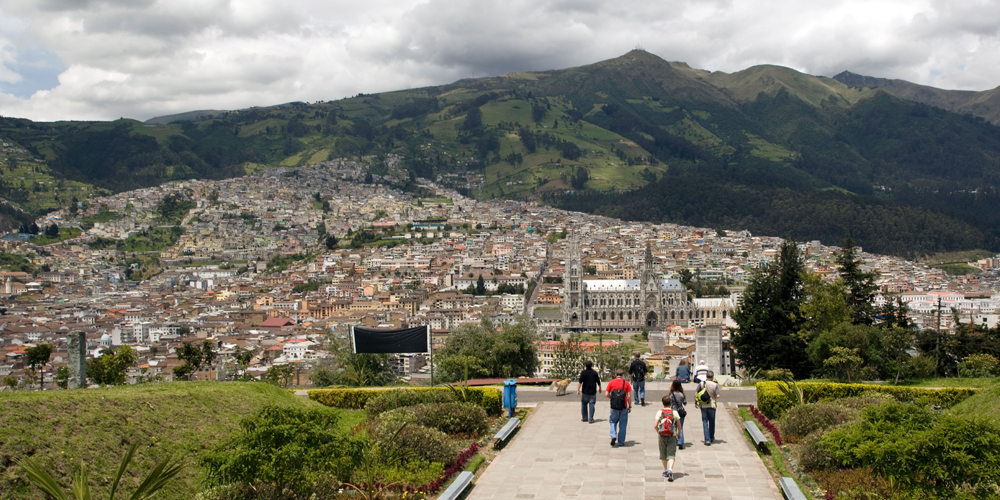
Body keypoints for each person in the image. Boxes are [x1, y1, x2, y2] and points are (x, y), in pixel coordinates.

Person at [654, 394, 682, 482]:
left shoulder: (660, 412)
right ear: (671, 403)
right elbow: (679, 425)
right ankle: (670, 469)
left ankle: (665, 470)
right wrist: (679, 433)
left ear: (662, 403)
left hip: (662, 435)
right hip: (672, 434)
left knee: (663, 453)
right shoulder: (674, 412)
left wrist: (658, 431)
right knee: (671, 454)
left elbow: (655, 425)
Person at [605, 368, 632, 447]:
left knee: (613, 421)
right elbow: (629, 396)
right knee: (623, 424)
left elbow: (606, 394)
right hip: (623, 406)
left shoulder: (611, 382)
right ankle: (621, 442)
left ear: (616, 375)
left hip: (614, 406)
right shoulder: (626, 383)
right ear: (622, 375)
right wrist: (629, 406)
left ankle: (613, 435)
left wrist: (612, 398)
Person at [695, 370, 722, 445]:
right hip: (712, 405)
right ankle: (711, 437)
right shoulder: (715, 385)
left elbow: (696, 394)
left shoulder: (701, 384)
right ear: (712, 377)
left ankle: (707, 440)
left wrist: (696, 402)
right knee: (712, 421)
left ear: (706, 376)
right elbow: (718, 396)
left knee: (705, 421)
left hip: (703, 405)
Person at [668, 379, 688, 449]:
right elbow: (685, 403)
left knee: (674, 427)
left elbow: (669, 403)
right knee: (680, 427)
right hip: (681, 411)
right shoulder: (682, 394)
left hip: (673, 411)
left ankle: (674, 441)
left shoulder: (671, 394)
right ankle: (680, 442)